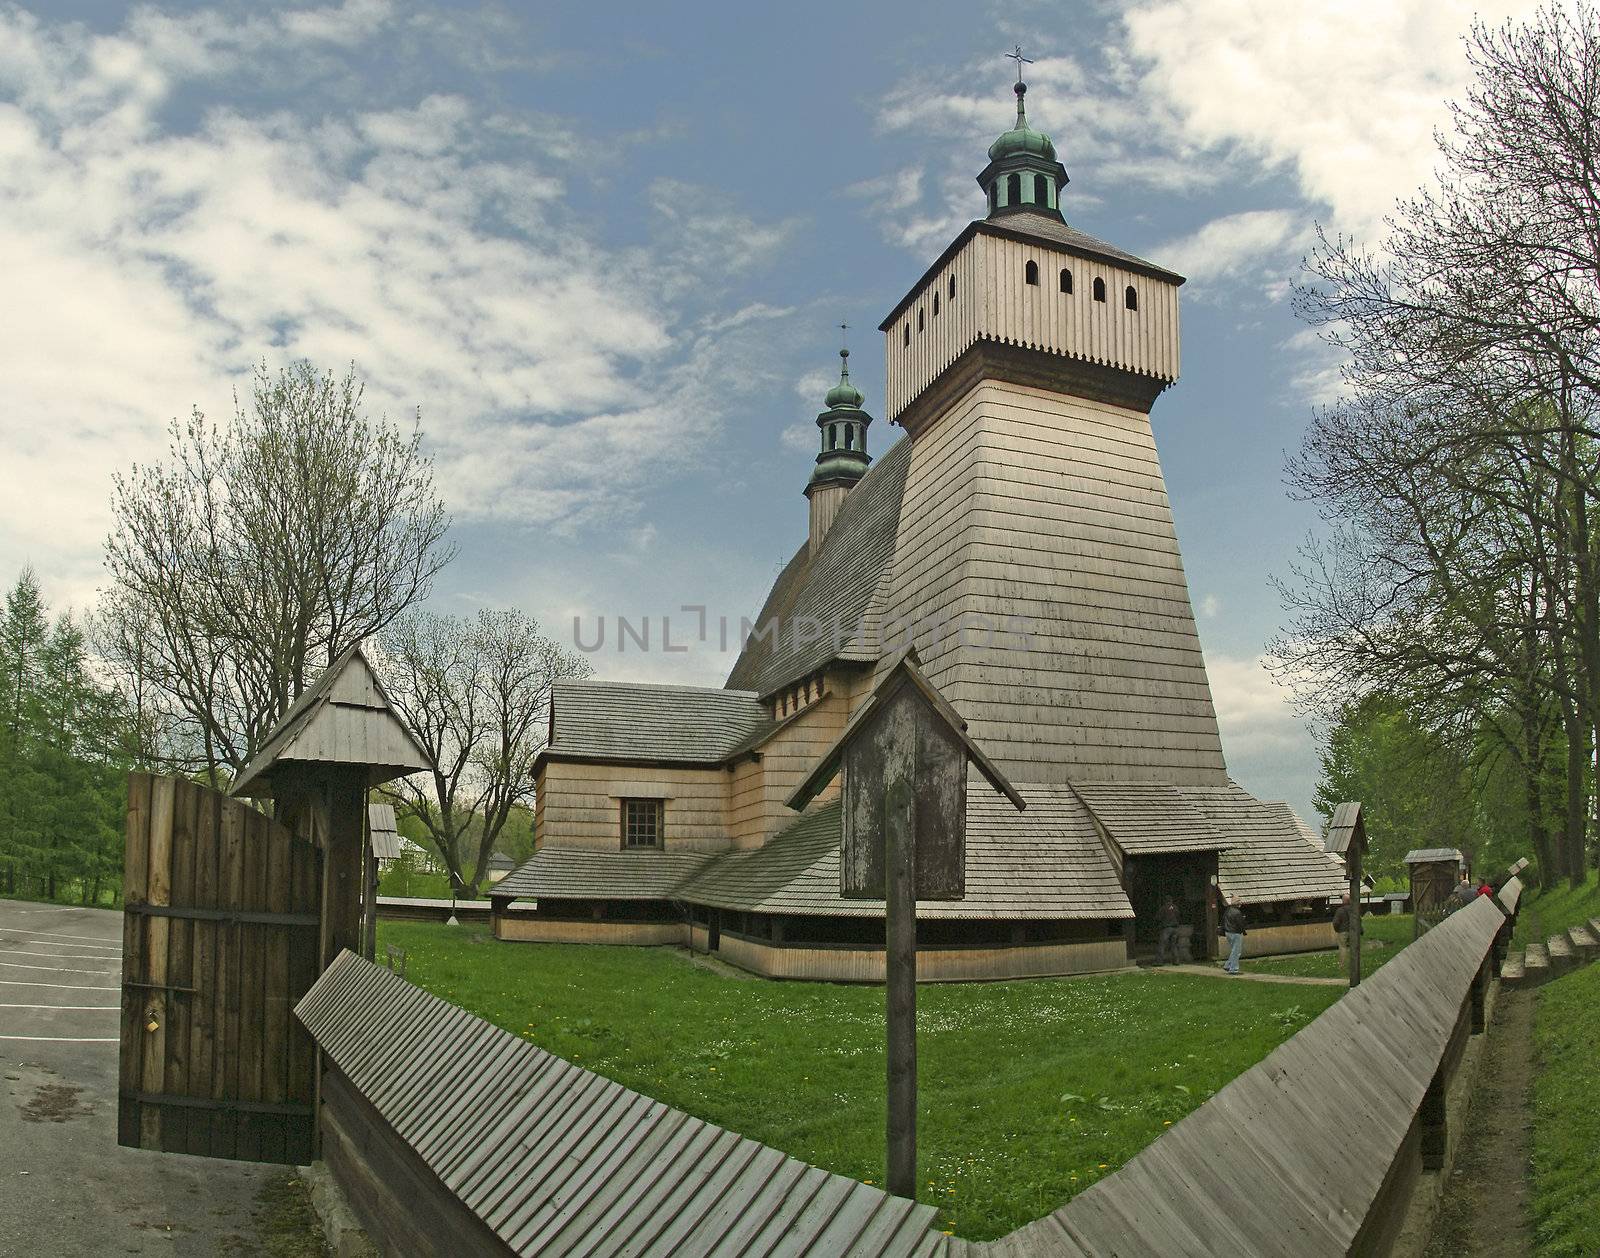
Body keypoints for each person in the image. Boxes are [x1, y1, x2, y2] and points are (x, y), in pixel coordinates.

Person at [1221, 896, 1246, 974]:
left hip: (1228, 932)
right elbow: (1240, 924)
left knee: (1234, 950)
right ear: (1237, 903)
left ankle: (1228, 965)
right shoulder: (1237, 912)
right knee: (1236, 951)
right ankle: (1233, 969)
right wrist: (1243, 931)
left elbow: (1223, 921)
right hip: (1236, 933)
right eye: (1239, 902)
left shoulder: (1227, 911)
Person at [1332, 893, 1354, 974]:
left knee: (1343, 948)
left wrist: (1337, 930)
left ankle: (1342, 965)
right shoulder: (1354, 909)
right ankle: (1353, 964)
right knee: (1354, 948)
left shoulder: (1340, 910)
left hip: (1343, 931)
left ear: (1343, 901)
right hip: (1353, 931)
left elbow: (1335, 922)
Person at [1157, 897, 1180, 965]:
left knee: (1162, 945)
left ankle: (1159, 961)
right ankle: (1176, 961)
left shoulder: (1163, 908)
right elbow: (1179, 916)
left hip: (1166, 928)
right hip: (1175, 928)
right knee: (1174, 945)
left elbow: (1158, 917)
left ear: (1165, 901)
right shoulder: (1175, 907)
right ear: (1171, 900)